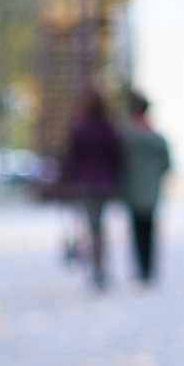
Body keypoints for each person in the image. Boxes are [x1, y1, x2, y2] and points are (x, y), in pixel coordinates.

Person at [59, 90, 124, 291]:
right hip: (104, 183)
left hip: (85, 182)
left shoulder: (81, 128)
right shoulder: (107, 128)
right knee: (98, 225)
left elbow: (72, 157)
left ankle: (96, 268)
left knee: (91, 224)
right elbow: (115, 156)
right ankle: (99, 267)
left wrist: (68, 181)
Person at [119, 91, 172, 287]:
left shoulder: (127, 137)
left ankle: (142, 269)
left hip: (133, 191)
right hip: (151, 191)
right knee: (148, 230)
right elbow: (167, 164)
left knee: (137, 230)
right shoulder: (156, 137)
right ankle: (148, 268)